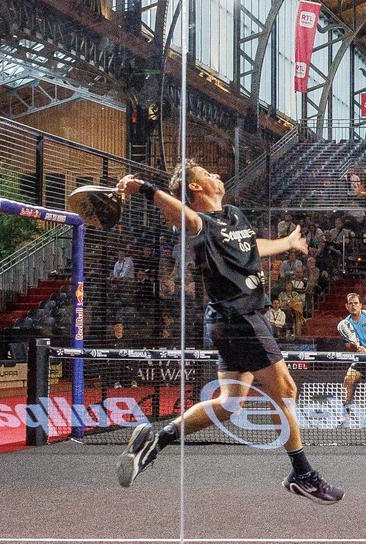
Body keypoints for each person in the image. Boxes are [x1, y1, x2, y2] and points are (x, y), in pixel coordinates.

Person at [112, 163, 342, 502]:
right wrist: (144, 188)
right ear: (195, 187)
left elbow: (252, 246)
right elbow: (184, 217)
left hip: (228, 320)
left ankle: (158, 441)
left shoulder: (232, 215)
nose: (217, 175)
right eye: (208, 173)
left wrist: (288, 242)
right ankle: (302, 473)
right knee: (286, 389)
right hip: (240, 318)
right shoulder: (198, 224)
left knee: (229, 402)